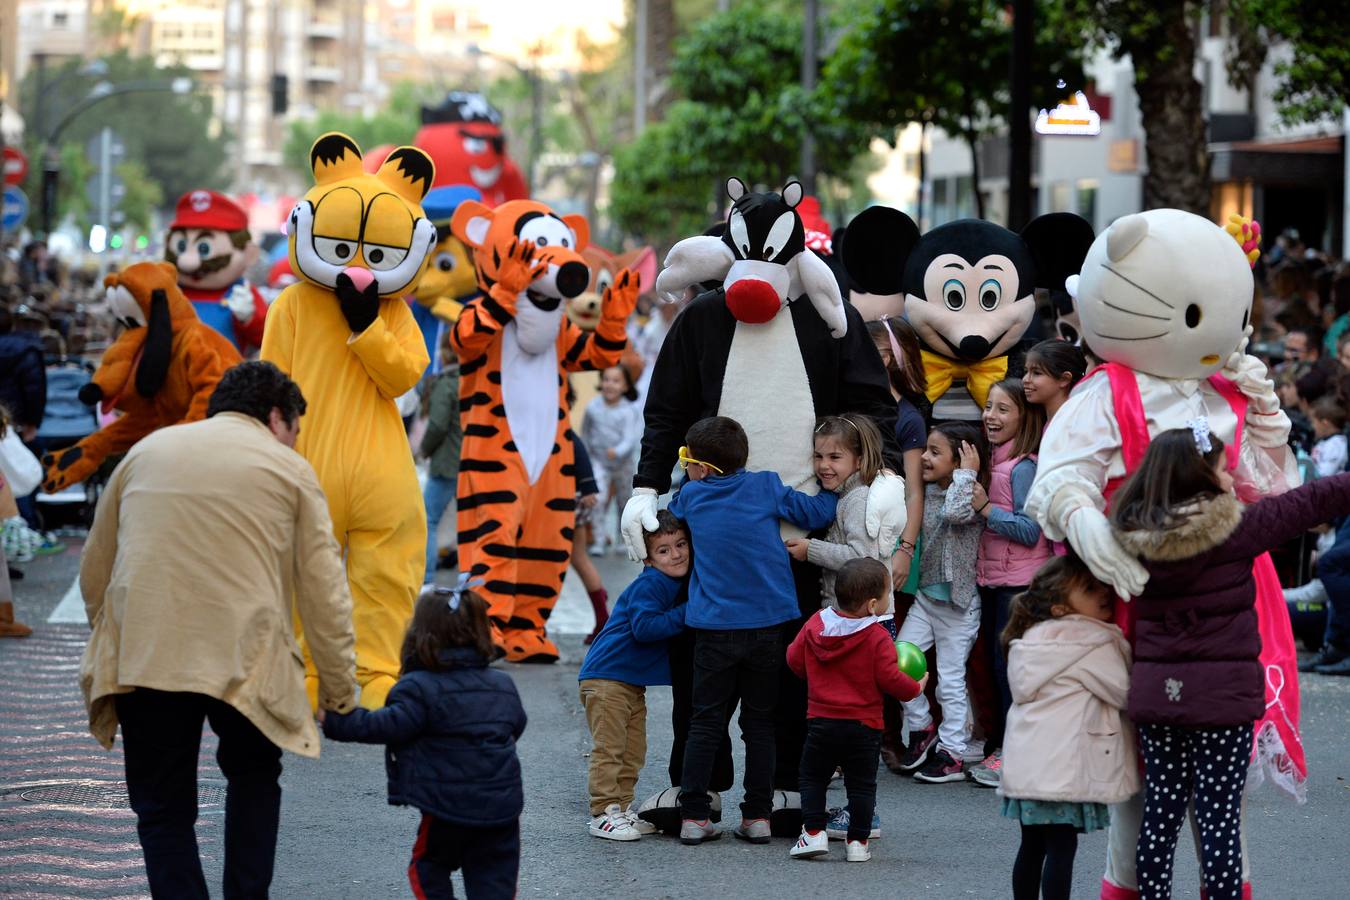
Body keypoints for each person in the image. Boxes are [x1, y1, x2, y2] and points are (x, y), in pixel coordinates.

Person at [78, 360, 359, 899]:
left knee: (162, 809)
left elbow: (96, 568)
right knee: (254, 777)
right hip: (245, 655)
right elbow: (325, 593)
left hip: (149, 651)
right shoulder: (289, 470)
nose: (296, 444)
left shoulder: (147, 452)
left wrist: (112, 641)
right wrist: (340, 693)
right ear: (276, 417)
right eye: (296, 430)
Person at [1110, 427, 1350, 899]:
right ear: (1201, 476)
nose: (1230, 473)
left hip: (1159, 699)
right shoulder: (1235, 529)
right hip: (1223, 703)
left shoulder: (1129, 537)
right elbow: (1312, 500)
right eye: (1222, 466)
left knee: (1159, 813)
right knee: (1219, 820)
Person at [667, 415, 838, 845]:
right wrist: (839, 489)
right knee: (760, 723)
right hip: (768, 626)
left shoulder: (690, 496)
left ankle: (693, 816)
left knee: (704, 721)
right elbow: (815, 510)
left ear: (703, 468)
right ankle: (758, 816)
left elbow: (669, 513)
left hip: (713, 628)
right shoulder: (764, 486)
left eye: (687, 459)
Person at [322, 580, 526, 899]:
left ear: (420, 634)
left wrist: (334, 720)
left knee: (428, 866)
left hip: (446, 808)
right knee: (493, 880)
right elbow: (515, 725)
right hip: (502, 808)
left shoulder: (419, 687)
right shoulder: (502, 684)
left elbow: (383, 726)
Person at [998, 555, 1139, 900]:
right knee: (1063, 848)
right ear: (1061, 608)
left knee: (1031, 846)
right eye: (1090, 590)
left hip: (1028, 768)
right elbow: (1124, 692)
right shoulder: (1093, 641)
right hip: (1064, 769)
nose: (1103, 594)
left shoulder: (1029, 640)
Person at [787, 557, 926, 863]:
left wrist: (818, 676)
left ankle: (812, 834)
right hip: (864, 725)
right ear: (873, 604)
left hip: (821, 721)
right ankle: (858, 843)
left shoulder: (817, 623)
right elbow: (891, 679)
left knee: (813, 778)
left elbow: (794, 660)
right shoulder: (877, 637)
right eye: (889, 593)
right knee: (861, 785)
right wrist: (916, 687)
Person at [578, 509, 690, 841]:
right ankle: (603, 811)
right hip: (607, 677)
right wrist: (689, 610)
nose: (676, 555)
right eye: (664, 550)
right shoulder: (652, 583)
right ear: (648, 559)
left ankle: (621, 808)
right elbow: (645, 628)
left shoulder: (672, 580)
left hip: (627, 681)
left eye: (681, 544)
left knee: (632, 749)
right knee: (611, 748)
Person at [969, 379, 1053, 788]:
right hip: (993, 580)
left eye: (1003, 409)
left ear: (1025, 416)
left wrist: (985, 508)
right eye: (988, 407)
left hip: (1018, 585)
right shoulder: (994, 461)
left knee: (1010, 672)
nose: (991, 416)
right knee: (993, 668)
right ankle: (999, 747)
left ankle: (1012, 754)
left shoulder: (1024, 467)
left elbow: (1030, 530)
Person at [896, 421, 988, 783]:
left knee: (949, 682)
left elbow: (955, 514)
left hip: (959, 607)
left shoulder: (969, 492)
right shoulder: (926, 492)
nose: (925, 458)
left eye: (935, 452)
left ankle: (952, 752)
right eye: (926, 450)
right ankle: (922, 726)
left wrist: (967, 474)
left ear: (961, 459)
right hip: (926, 600)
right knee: (896, 661)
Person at [785, 414, 890, 609]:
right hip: (845, 613)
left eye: (834, 457)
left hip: (857, 618)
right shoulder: (844, 495)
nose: (824, 465)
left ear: (859, 461)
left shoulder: (858, 499)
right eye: (818, 456)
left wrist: (810, 550)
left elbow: (862, 557)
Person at [866, 317, 927, 590]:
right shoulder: (855, 404)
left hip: (890, 539)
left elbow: (914, 491)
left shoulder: (908, 418)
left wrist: (905, 550)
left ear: (886, 359)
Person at [582, 364, 643, 556]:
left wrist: (616, 451)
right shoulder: (593, 407)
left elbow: (630, 438)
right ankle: (598, 539)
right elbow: (585, 431)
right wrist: (585, 454)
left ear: (625, 386)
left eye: (616, 381)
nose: (610, 384)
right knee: (598, 499)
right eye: (606, 379)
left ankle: (623, 540)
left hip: (623, 464)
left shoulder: (629, 410)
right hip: (599, 462)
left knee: (624, 502)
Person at [419, 332, 462, 582]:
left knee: (429, 520)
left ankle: (426, 577)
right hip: (467, 461)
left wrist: (424, 450)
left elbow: (436, 425)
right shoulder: (469, 379)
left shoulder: (446, 384)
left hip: (446, 463)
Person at [569, 432, 610, 644]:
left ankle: (602, 613)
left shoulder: (558, 428)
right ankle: (601, 611)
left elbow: (578, 451)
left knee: (565, 560)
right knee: (579, 558)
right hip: (576, 494)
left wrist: (588, 485)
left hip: (567, 497)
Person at [0, 306, 46, 443]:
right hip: (16, 421)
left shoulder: (27, 350)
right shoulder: (27, 350)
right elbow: (34, 389)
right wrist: (33, 422)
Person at [1021, 339, 1088, 422]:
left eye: (1037, 373)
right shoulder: (1044, 421)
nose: (1025, 379)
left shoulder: (1073, 425)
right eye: (1026, 371)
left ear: (1064, 379)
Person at [1307, 395, 1347, 478]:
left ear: (1325, 424)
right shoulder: (1325, 441)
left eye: (1314, 422)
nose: (1312, 426)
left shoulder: (1336, 445)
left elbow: (1324, 474)